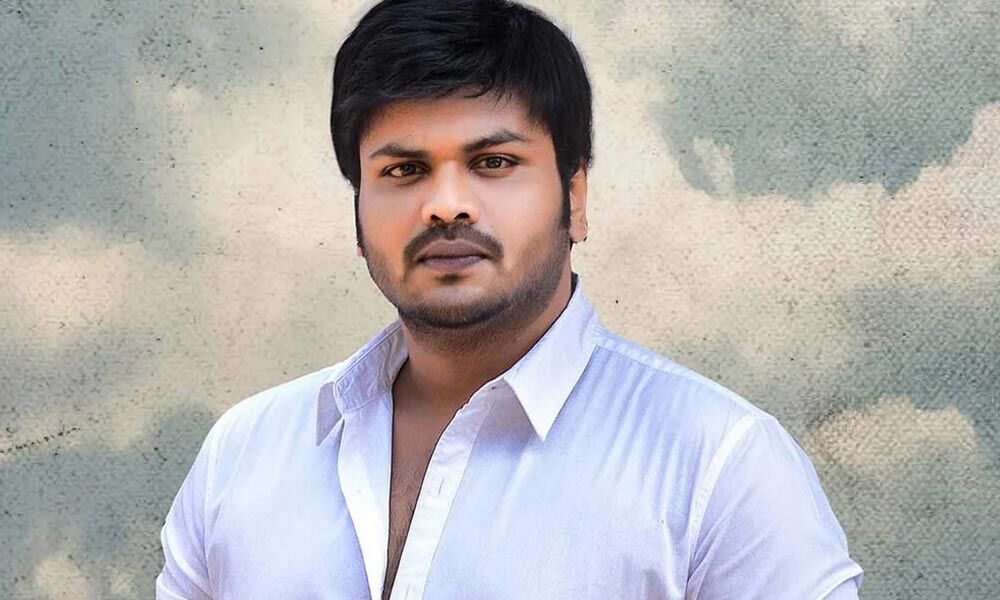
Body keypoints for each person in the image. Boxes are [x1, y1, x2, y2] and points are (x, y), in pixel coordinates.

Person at [156, 0, 864, 598]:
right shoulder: (243, 455)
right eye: (403, 170)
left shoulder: (721, 466)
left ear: (575, 197)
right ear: (358, 213)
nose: (445, 205)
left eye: (493, 162)